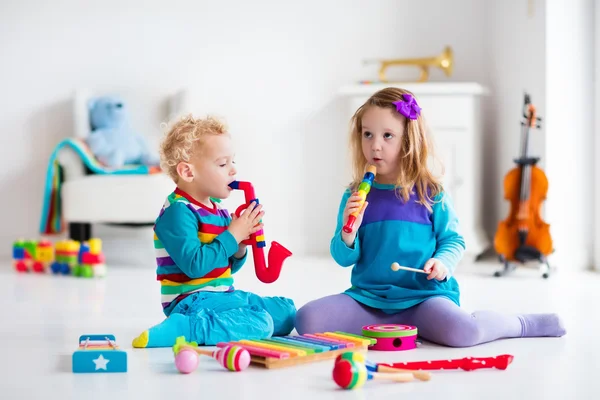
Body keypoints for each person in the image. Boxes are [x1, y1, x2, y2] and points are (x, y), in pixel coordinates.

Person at [294, 87, 566, 347]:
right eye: (367, 134)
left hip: (423, 299)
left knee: (466, 332)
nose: (375, 146)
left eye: (387, 135)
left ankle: (520, 324)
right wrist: (348, 232)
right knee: (307, 319)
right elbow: (343, 259)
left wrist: (442, 262)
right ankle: (395, 329)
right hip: (370, 301)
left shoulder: (430, 193)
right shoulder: (355, 195)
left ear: (409, 142)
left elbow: (453, 240)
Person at [132, 114, 296, 348]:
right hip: (191, 301)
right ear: (188, 172)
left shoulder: (217, 210)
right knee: (262, 323)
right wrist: (232, 235)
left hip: (222, 296)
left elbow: (225, 267)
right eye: (222, 164)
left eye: (233, 161)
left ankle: (224, 323)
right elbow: (195, 265)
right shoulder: (178, 212)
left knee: (287, 311)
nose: (233, 170)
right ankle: (185, 328)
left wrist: (239, 247)